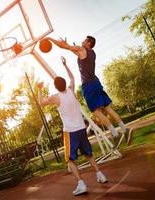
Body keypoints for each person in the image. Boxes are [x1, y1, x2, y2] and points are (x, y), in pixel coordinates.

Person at [37, 56, 107, 196]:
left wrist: (39, 89)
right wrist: (65, 65)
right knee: (89, 154)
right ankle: (100, 175)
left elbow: (41, 102)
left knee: (70, 160)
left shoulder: (55, 97)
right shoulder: (71, 89)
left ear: (56, 86)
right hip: (81, 128)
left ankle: (81, 184)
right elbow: (72, 77)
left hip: (70, 132)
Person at [46, 36, 132, 148]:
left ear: (88, 43)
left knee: (96, 112)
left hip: (89, 86)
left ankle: (115, 134)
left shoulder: (82, 49)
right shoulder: (91, 53)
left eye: (84, 40)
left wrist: (49, 39)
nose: (82, 40)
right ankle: (125, 130)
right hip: (96, 82)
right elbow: (74, 51)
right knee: (107, 108)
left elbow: (64, 47)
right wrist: (68, 47)